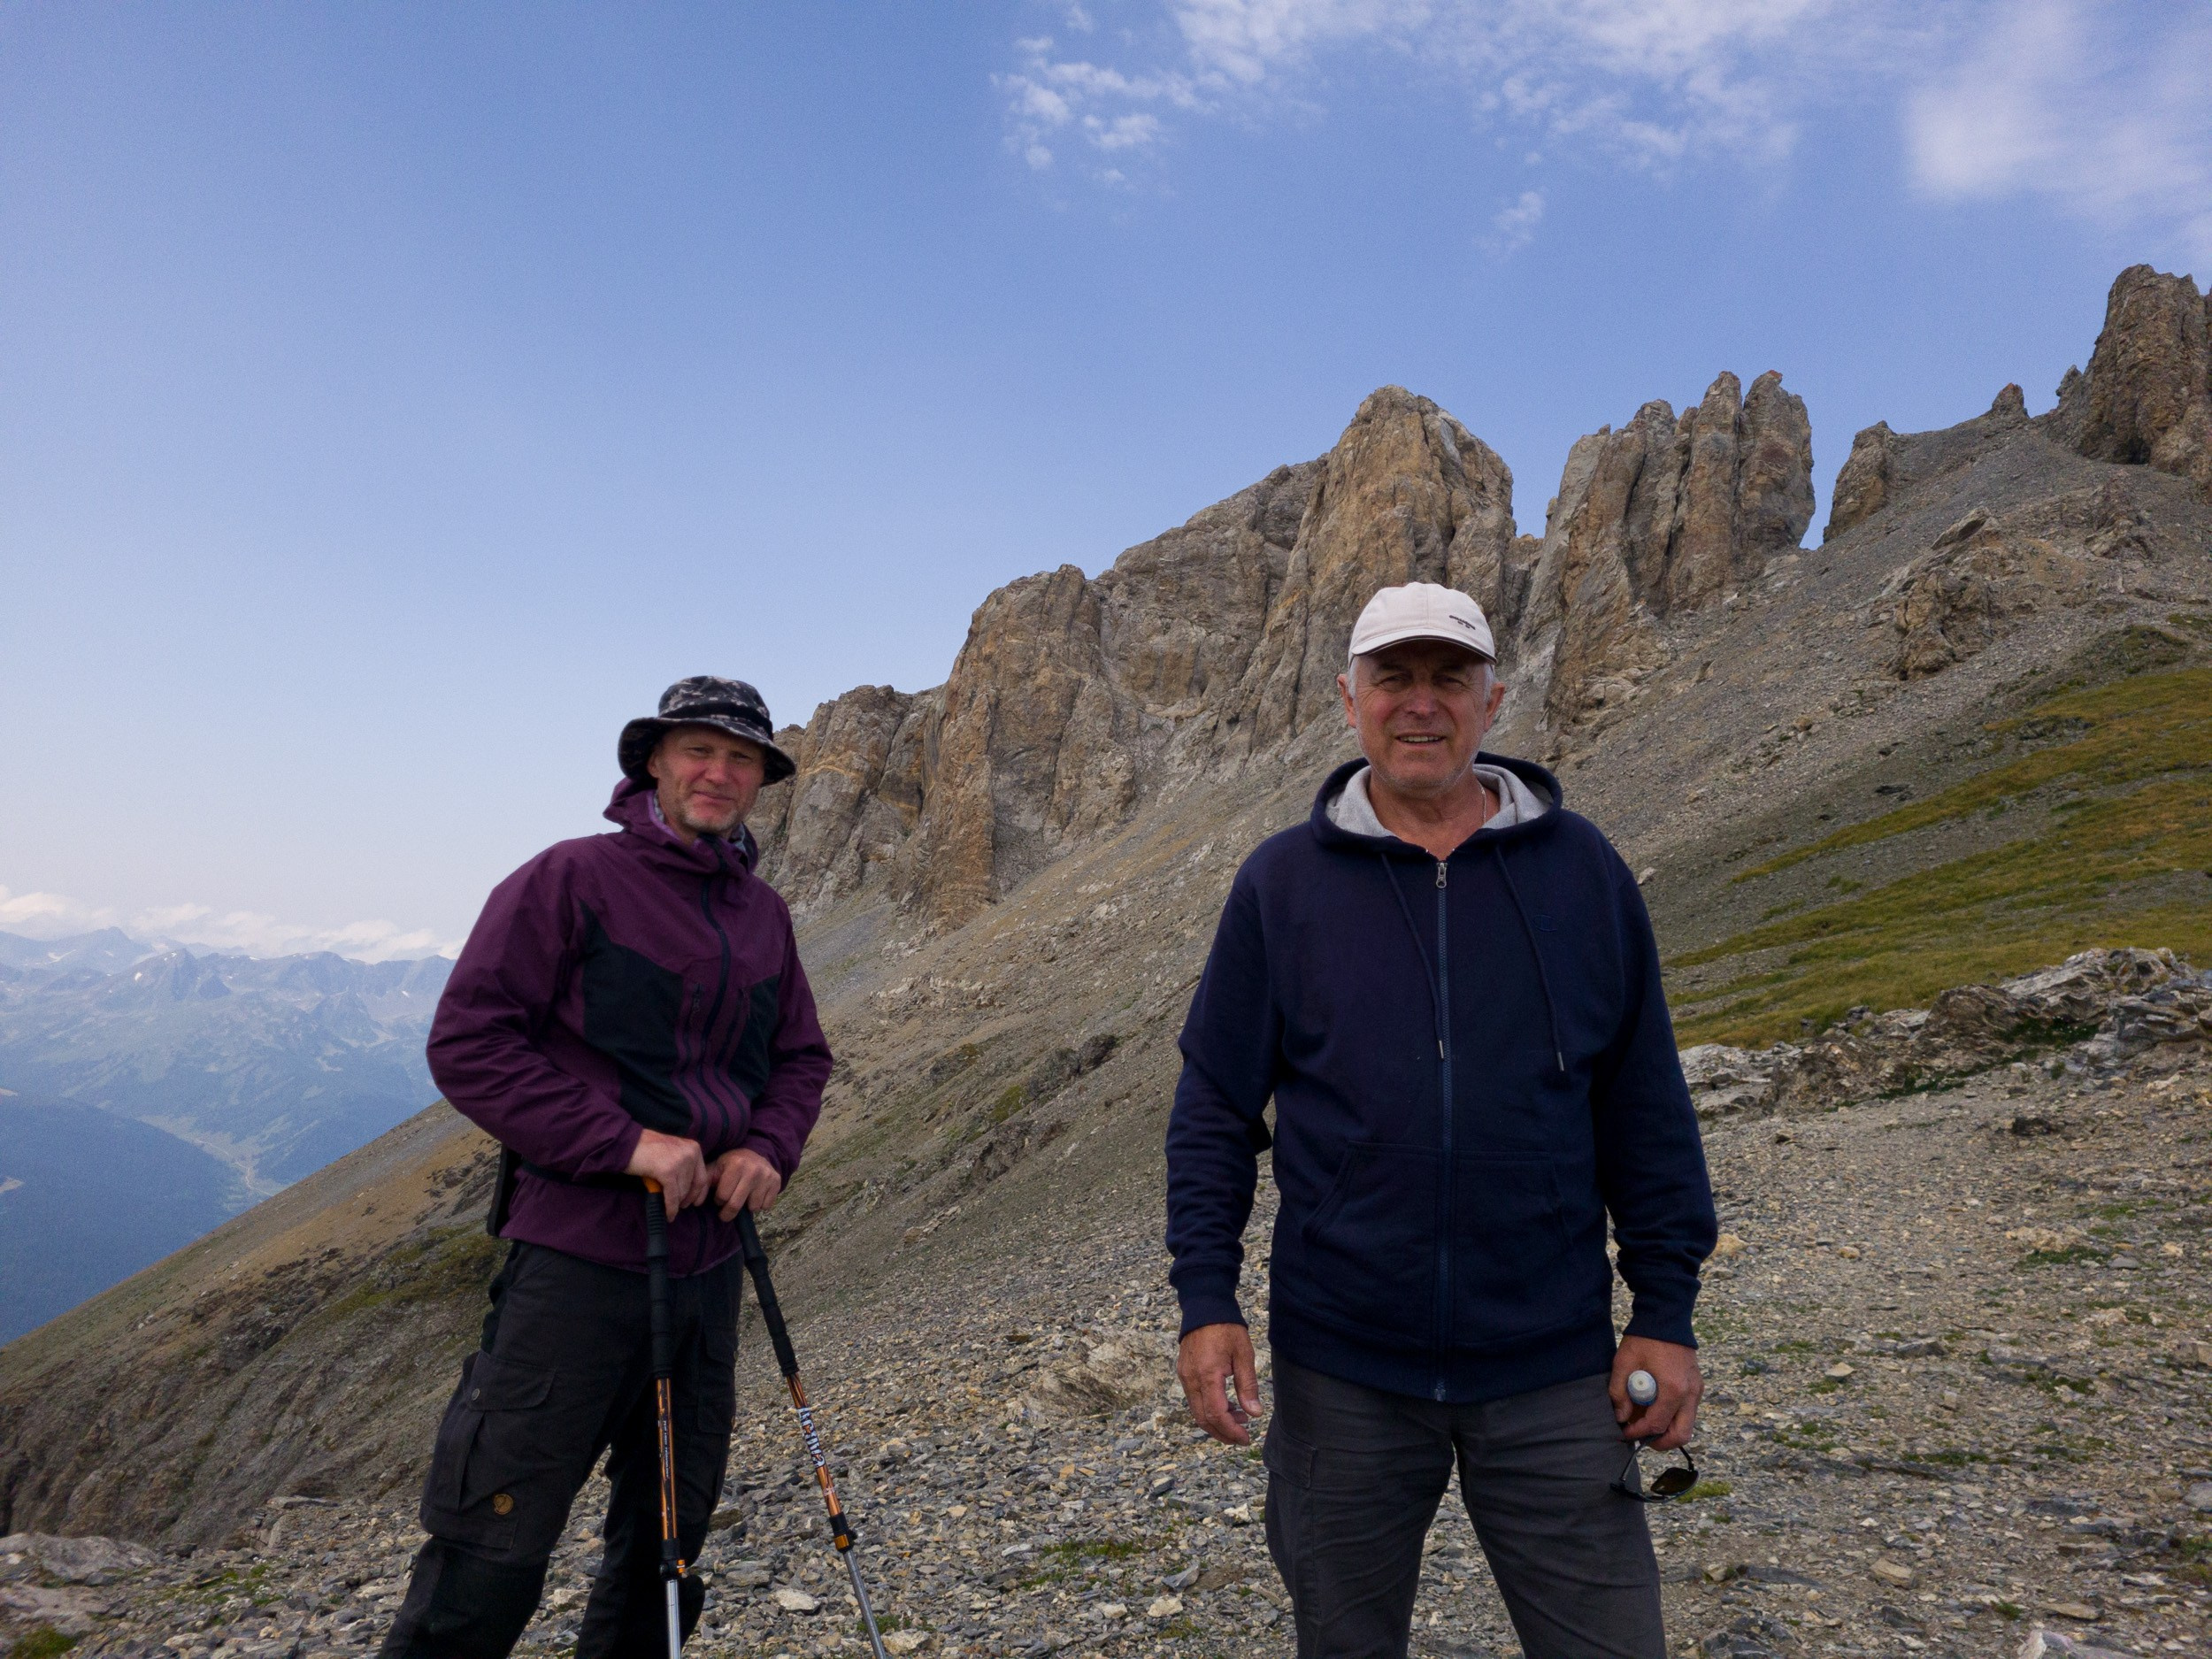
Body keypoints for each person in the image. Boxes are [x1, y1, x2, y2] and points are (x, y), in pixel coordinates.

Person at [1165, 583, 1717, 1659]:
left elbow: (1642, 1103)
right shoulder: (1281, 884)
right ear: (1347, 698)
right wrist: (1204, 1297)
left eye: (1448, 679)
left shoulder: (1584, 873)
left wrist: (1667, 1308)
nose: (1421, 704)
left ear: (1493, 699)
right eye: (1393, 678)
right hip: (1342, 1374)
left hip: (1552, 1364)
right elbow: (1214, 1107)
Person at [380, 675, 833, 1659]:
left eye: (741, 758)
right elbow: (469, 1044)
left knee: (669, 1545)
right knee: (493, 1536)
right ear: (654, 764)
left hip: (709, 1266)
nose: (718, 772)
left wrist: (767, 1147)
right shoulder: (569, 880)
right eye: (697, 751)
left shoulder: (764, 915)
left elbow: (800, 1058)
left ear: (759, 781)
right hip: (578, 1265)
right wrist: (624, 1144)